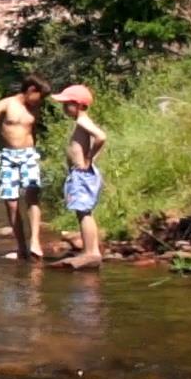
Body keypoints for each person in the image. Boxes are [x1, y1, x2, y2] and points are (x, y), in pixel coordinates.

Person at [0, 75, 51, 261]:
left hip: (29, 154)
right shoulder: (7, 104)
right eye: (40, 95)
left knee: (32, 194)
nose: (41, 100)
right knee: (11, 202)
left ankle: (35, 242)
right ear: (31, 90)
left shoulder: (36, 106)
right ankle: (21, 246)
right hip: (8, 157)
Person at [50, 83, 108, 270]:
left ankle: (91, 252)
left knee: (84, 212)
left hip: (82, 174)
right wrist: (90, 159)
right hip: (80, 173)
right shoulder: (81, 122)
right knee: (82, 211)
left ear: (80, 105)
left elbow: (101, 137)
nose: (64, 108)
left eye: (68, 104)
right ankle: (90, 249)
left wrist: (89, 158)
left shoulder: (83, 121)